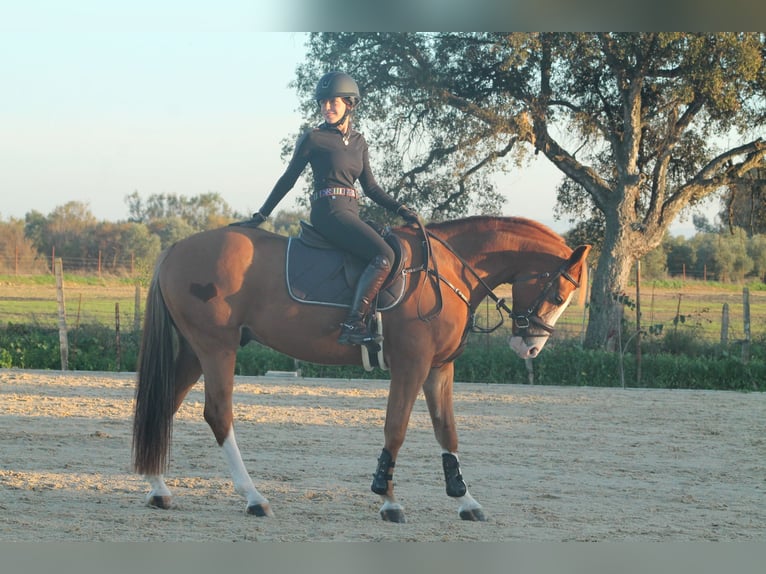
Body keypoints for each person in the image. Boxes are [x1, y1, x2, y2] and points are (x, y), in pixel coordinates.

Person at [241, 71, 418, 346]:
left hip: (351, 211)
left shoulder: (359, 142)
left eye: (332, 102)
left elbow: (371, 188)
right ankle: (353, 323)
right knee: (383, 254)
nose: (326, 107)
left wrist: (402, 208)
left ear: (349, 103)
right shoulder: (313, 138)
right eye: (322, 102)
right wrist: (262, 214)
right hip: (328, 212)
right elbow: (288, 179)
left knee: (389, 247)